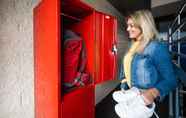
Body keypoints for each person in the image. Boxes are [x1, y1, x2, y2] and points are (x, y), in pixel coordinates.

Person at [112, 9, 178, 118]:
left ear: (143, 26)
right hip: (131, 93)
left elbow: (171, 80)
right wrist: (124, 84)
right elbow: (126, 68)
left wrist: (152, 93)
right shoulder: (132, 45)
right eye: (128, 25)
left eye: (131, 26)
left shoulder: (156, 47)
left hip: (145, 100)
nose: (127, 29)